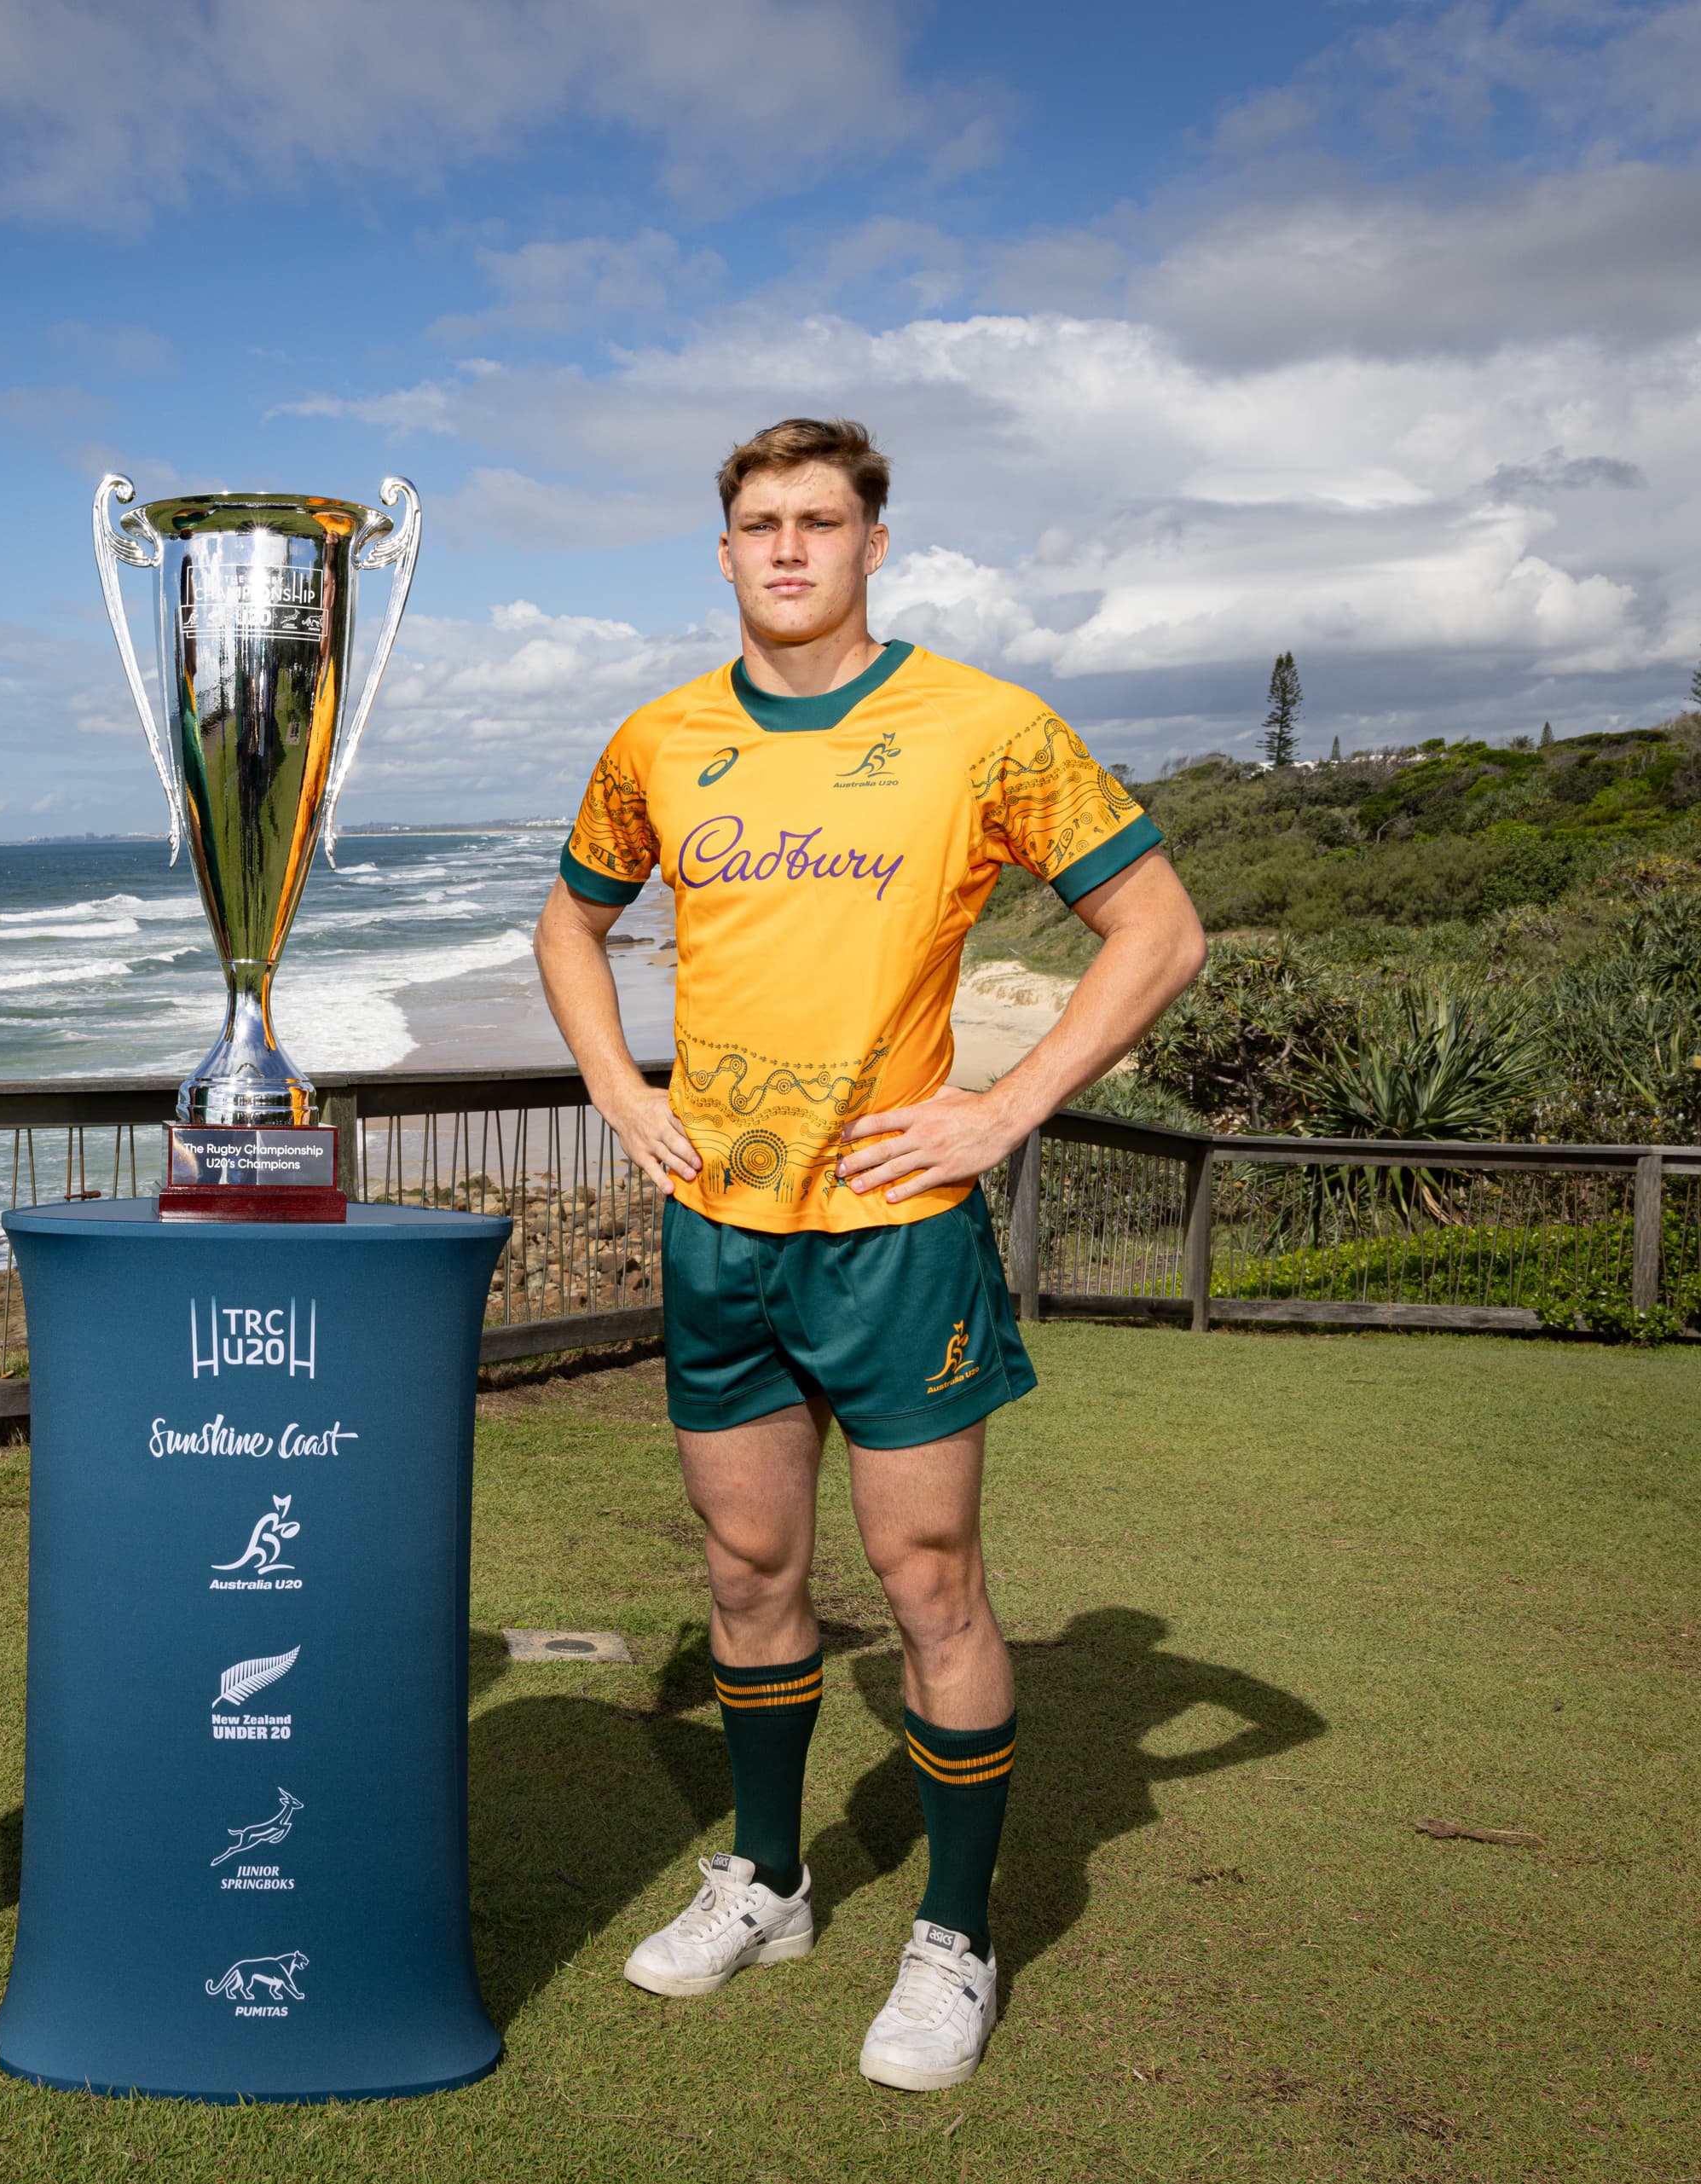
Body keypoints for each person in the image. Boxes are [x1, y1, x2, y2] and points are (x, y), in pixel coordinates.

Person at [534, 417, 1205, 2092]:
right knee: (751, 1574)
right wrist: (620, 1087)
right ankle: (767, 1881)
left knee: (928, 1581)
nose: (785, 549)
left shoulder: (978, 726)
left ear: (872, 543)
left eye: (817, 521)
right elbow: (571, 917)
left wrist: (1007, 1110)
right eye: (757, 523)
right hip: (721, 1235)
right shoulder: (660, 739)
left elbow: (1161, 928)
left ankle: (956, 1936)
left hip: (898, 1239)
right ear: (722, 552)